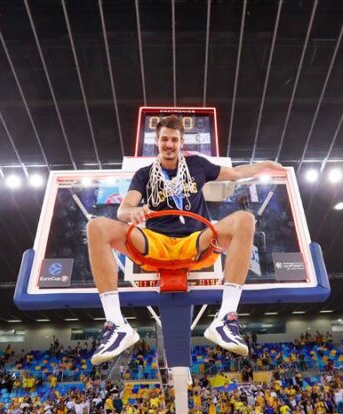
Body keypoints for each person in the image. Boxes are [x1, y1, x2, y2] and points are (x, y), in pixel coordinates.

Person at [86, 114, 285, 364]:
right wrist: (131, 212)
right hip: (155, 242)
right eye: (164, 139)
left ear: (181, 143)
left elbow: (235, 173)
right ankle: (116, 324)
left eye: (174, 140)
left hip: (195, 240)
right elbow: (122, 209)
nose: (169, 144)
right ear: (157, 142)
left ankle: (226, 317)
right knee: (97, 227)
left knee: (245, 220)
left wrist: (261, 166)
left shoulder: (198, 165)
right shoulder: (144, 174)